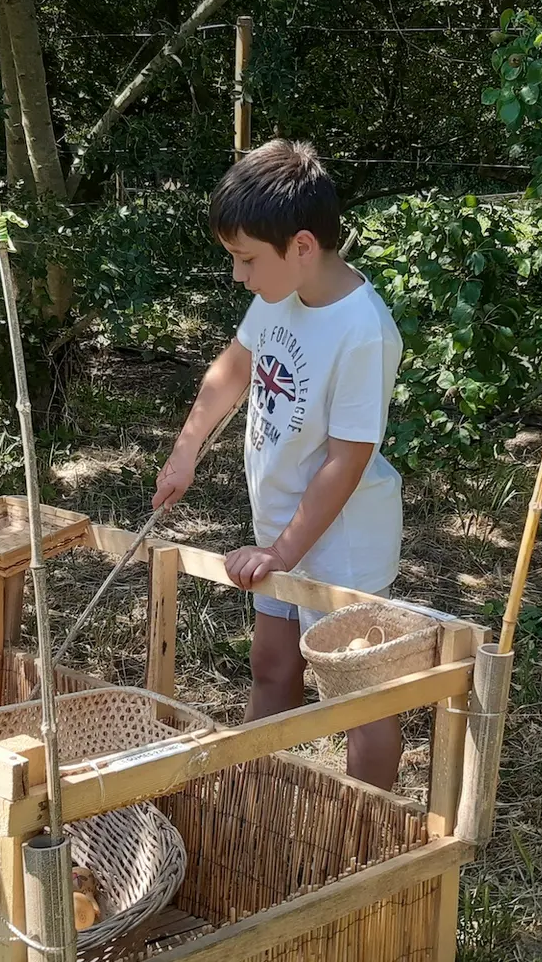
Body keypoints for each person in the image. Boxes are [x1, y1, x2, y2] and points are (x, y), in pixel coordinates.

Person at [151, 138, 405, 788]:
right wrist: (186, 452)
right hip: (280, 533)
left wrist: (285, 552)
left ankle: (367, 829)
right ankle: (259, 796)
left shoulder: (362, 331)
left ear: (300, 246)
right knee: (271, 664)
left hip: (337, 546)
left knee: (357, 699)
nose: (239, 275)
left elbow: (348, 461)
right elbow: (231, 370)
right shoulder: (274, 295)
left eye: (245, 259)